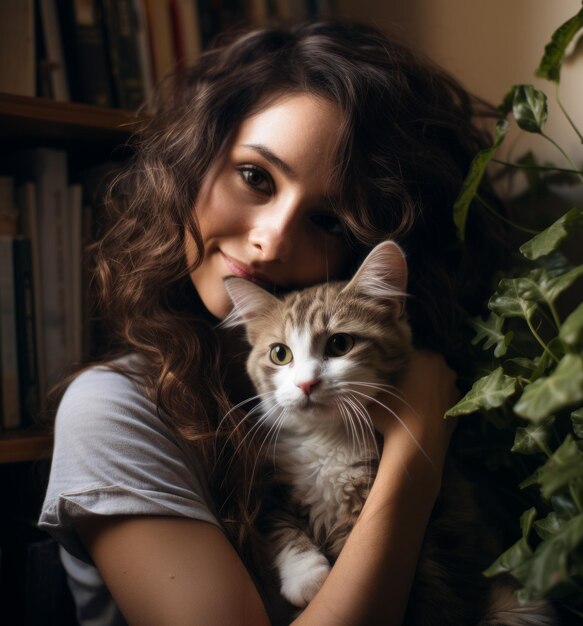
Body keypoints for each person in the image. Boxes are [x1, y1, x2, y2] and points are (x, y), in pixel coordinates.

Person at [39, 19, 506, 626]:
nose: (271, 241)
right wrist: (413, 455)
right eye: (255, 177)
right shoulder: (111, 410)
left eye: (327, 221)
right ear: (196, 159)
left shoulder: (353, 382)